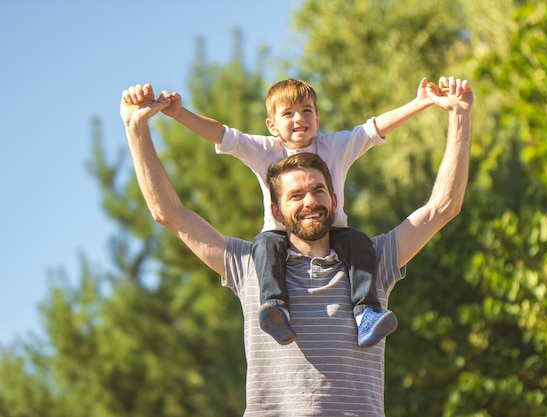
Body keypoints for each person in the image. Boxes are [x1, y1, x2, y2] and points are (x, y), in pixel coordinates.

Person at [120, 76, 473, 416]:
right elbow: (169, 214)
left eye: (318, 191)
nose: (310, 202)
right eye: (296, 195)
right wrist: (136, 130)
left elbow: (443, 208)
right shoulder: (251, 266)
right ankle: (278, 309)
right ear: (275, 209)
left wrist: (460, 115)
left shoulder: (370, 262)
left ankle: (366, 314)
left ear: (334, 199)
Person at [156, 78, 435, 346]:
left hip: (332, 230)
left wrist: (418, 103)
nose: (299, 119)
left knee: (360, 243)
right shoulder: (265, 149)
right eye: (288, 114)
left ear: (317, 118)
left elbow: (374, 129)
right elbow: (222, 134)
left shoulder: (334, 147)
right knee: (263, 246)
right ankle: (276, 309)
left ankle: (366, 313)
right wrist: (180, 114)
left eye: (306, 111)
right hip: (282, 232)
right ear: (272, 125)